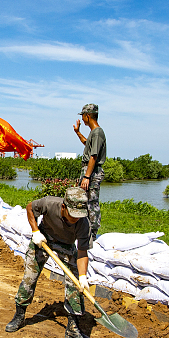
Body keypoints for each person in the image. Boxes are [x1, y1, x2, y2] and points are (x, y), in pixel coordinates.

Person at [4, 186, 93, 338]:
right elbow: (30, 207)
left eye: (79, 216)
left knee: (75, 284)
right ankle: (19, 315)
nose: (75, 219)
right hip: (43, 240)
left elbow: (82, 252)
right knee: (29, 278)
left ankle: (73, 328)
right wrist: (35, 231)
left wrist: (83, 276)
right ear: (64, 207)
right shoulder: (49, 203)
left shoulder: (84, 223)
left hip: (66, 246)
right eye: (73, 216)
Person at [72, 103, 106, 246]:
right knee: (84, 201)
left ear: (88, 116)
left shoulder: (97, 132)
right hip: (88, 171)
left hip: (92, 172)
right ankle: (85, 231)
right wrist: (78, 132)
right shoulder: (93, 133)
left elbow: (94, 156)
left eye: (83, 116)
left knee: (91, 203)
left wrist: (87, 176)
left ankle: (92, 234)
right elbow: (87, 144)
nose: (83, 119)